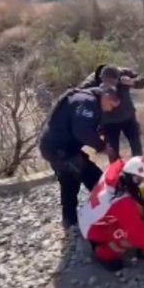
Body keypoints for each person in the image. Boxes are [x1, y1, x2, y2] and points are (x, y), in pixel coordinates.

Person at [39, 86, 120, 228]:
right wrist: (101, 147)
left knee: (69, 181)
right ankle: (113, 209)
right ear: (106, 97)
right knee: (93, 176)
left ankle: (69, 220)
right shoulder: (88, 101)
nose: (110, 110)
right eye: (111, 106)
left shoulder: (86, 98)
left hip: (52, 146)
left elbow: (83, 124)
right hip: (60, 149)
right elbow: (82, 131)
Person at [78, 156, 144, 271]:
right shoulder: (121, 200)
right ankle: (103, 252)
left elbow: (120, 161)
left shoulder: (115, 172)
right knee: (134, 233)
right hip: (92, 229)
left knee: (138, 221)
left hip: (88, 214)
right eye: (142, 181)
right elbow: (137, 234)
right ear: (134, 178)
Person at [79, 64, 144, 158]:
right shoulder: (91, 81)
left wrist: (133, 82)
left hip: (128, 117)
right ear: (101, 78)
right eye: (109, 83)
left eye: (115, 83)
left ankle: (137, 169)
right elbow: (79, 94)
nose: (113, 86)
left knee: (137, 147)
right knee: (112, 153)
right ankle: (116, 171)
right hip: (107, 122)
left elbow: (143, 80)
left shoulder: (124, 72)